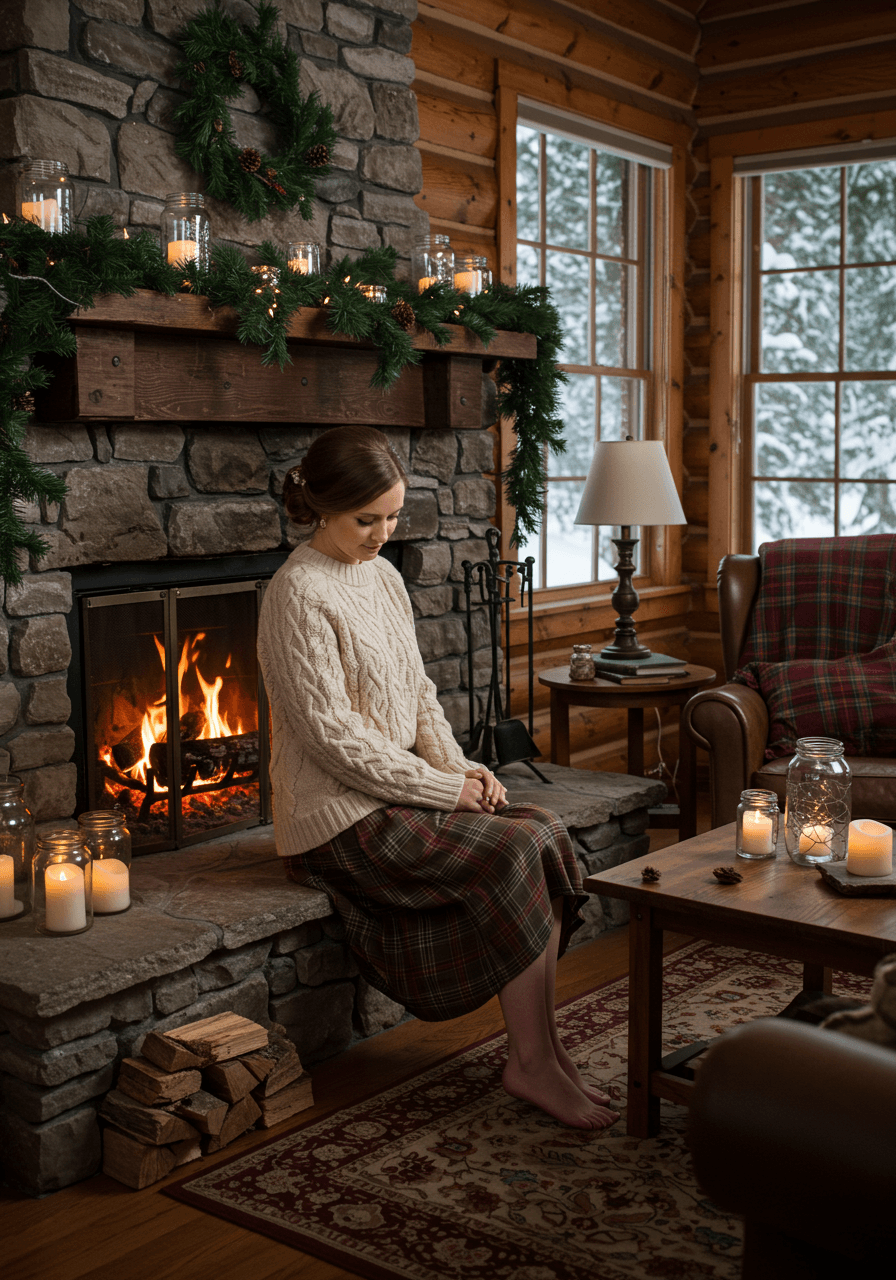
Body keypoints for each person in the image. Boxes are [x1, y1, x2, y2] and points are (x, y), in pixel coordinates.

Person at [257, 425, 618, 1130]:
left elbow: (417, 694)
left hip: (394, 791)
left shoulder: (383, 576)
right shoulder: (296, 592)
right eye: (367, 519)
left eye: (392, 517)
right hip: (336, 817)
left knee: (540, 829)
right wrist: (439, 789)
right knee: (510, 850)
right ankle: (533, 1061)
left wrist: (460, 769)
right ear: (321, 506)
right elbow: (331, 738)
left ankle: (540, 1049)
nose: (382, 533)